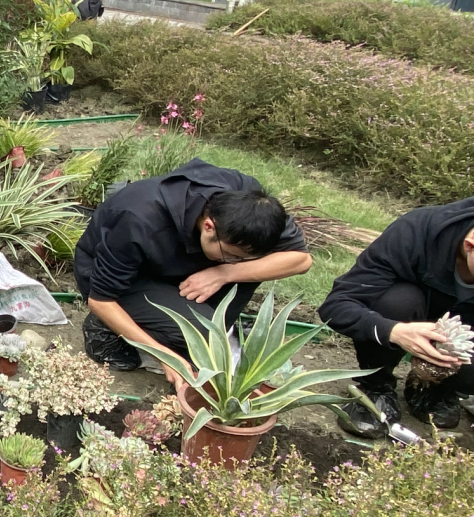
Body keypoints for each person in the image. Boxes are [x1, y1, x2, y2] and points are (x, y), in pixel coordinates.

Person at [75, 159, 311, 381]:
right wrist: (164, 356)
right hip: (127, 279)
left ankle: (181, 329)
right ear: (209, 226)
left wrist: (224, 272)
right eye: (230, 255)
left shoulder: (249, 204)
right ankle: (105, 328)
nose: (234, 261)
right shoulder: (137, 219)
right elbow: (101, 300)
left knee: (219, 322)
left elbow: (301, 260)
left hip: (181, 266)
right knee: (201, 334)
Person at [320, 198, 474, 437]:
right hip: (407, 314)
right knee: (396, 302)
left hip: (464, 333)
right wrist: (393, 331)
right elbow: (337, 305)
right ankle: (376, 386)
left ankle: (432, 387)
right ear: (470, 245)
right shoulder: (417, 231)